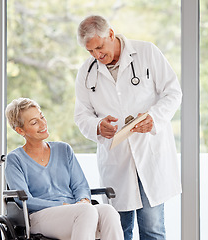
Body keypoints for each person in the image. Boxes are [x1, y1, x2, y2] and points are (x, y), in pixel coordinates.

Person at [74, 15, 182, 240]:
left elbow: (173, 93)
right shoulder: (86, 72)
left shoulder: (147, 53)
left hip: (149, 153)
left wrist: (154, 117)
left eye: (100, 47)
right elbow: (81, 115)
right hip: (117, 160)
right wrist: (97, 127)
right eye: (90, 51)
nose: (97, 55)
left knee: (152, 230)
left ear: (111, 34)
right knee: (117, 232)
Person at [4, 97, 124, 240]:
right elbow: (25, 200)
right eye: (34, 122)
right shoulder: (15, 159)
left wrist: (83, 199)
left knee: (108, 211)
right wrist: (63, 205)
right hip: (40, 216)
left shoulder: (63, 149)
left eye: (42, 117)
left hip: (76, 210)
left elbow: (80, 185)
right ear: (20, 130)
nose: (43, 123)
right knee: (86, 212)